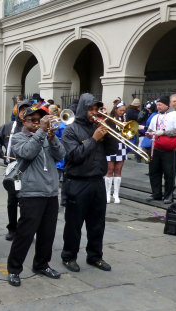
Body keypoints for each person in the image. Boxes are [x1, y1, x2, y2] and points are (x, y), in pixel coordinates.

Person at [6, 106, 65, 287]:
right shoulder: (18, 138)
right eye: (32, 120)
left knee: (48, 233)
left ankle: (41, 264)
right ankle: (14, 269)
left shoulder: (46, 137)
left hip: (51, 191)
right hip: (31, 192)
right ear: (23, 121)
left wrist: (52, 138)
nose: (37, 123)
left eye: (39, 120)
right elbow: (27, 153)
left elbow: (61, 155)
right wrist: (41, 132)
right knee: (25, 234)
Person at [61, 93, 111, 273]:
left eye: (96, 109)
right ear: (83, 109)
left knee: (97, 223)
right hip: (78, 182)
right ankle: (68, 256)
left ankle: (95, 256)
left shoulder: (99, 127)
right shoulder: (70, 130)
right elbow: (74, 156)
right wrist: (94, 139)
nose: (94, 112)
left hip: (97, 182)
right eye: (90, 109)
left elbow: (112, 150)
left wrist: (109, 130)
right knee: (74, 224)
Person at [0, 99, 32, 241]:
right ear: (18, 112)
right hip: (13, 170)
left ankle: (26, 229)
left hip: (30, 170)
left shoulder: (35, 127)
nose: (25, 113)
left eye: (28, 109)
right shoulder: (9, 126)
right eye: (22, 110)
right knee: (12, 201)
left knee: (28, 202)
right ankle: (12, 228)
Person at [146, 96, 176, 204]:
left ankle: (169, 195)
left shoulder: (175, 115)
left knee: (169, 173)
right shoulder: (155, 116)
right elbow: (151, 130)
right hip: (156, 148)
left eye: (160, 105)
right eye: (157, 105)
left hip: (169, 149)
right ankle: (156, 193)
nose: (158, 107)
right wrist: (148, 133)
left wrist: (164, 132)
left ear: (167, 105)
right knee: (154, 172)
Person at [104, 100, 127, 204]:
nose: (122, 112)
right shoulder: (109, 119)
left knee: (118, 170)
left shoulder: (124, 119)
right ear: (116, 109)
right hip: (110, 146)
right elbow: (105, 133)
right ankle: (107, 194)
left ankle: (116, 194)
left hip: (121, 146)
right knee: (110, 170)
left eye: (124, 110)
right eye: (121, 110)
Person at [126, 98, 141, 162]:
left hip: (133, 127)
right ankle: (131, 153)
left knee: (133, 141)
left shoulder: (131, 110)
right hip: (131, 127)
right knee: (132, 141)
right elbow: (137, 117)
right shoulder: (130, 111)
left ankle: (132, 153)